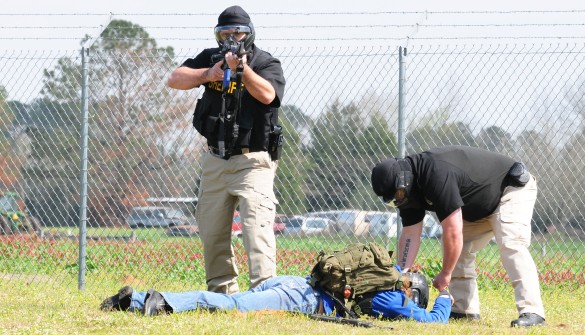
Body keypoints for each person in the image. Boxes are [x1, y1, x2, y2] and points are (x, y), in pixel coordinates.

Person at [166, 5, 286, 294]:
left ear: (249, 34)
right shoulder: (211, 58)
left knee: (256, 229)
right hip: (215, 160)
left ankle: (264, 294)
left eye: (238, 32)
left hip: (252, 161)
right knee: (212, 231)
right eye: (225, 33)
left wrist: (242, 71)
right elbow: (175, 78)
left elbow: (269, 94)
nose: (232, 38)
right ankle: (222, 294)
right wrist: (209, 74)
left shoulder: (266, 62)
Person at [370, 145, 545, 328]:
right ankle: (463, 310)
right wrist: (401, 275)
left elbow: (453, 231)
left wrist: (445, 274)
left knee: (511, 244)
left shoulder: (435, 173)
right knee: (457, 250)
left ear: (404, 180)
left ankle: (532, 311)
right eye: (393, 199)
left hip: (509, 190)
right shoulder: (405, 192)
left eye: (398, 194)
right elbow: (410, 234)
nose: (398, 199)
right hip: (478, 205)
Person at [99, 270, 452, 324]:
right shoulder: (391, 299)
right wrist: (446, 296)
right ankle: (163, 301)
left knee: (240, 303)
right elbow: (431, 321)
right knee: (232, 304)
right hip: (298, 298)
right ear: (413, 293)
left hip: (290, 280)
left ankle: (130, 300)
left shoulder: (378, 270)